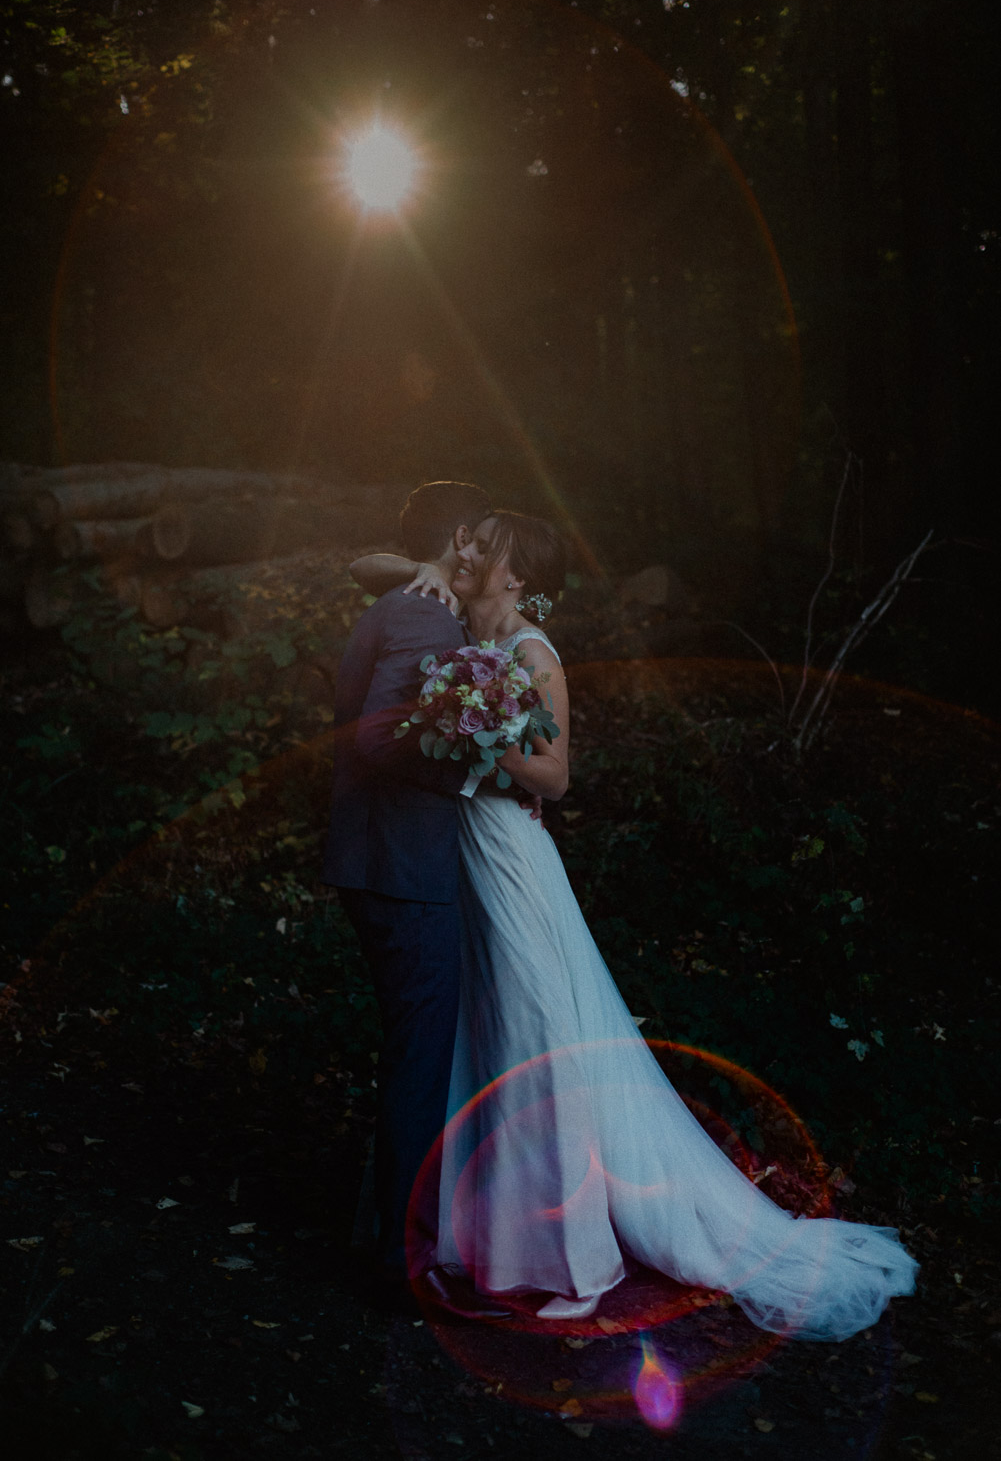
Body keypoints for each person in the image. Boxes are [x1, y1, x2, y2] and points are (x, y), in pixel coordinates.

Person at [351, 509, 919, 1339]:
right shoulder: (440, 613)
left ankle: (566, 1253)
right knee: (479, 1034)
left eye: (484, 548)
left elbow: (554, 777)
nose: (466, 553)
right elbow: (366, 563)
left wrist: (475, 735)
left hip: (508, 858)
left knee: (535, 1032)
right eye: (462, 544)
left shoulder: (530, 653)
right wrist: (426, 565)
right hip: (456, 865)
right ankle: (482, 1237)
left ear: (516, 574)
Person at [323, 480, 517, 1319]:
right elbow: (372, 732)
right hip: (400, 868)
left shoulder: (408, 602)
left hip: (384, 860)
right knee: (419, 1064)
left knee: (414, 1056)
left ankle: (384, 1238)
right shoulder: (421, 617)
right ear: (466, 536)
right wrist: (471, 769)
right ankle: (407, 1267)